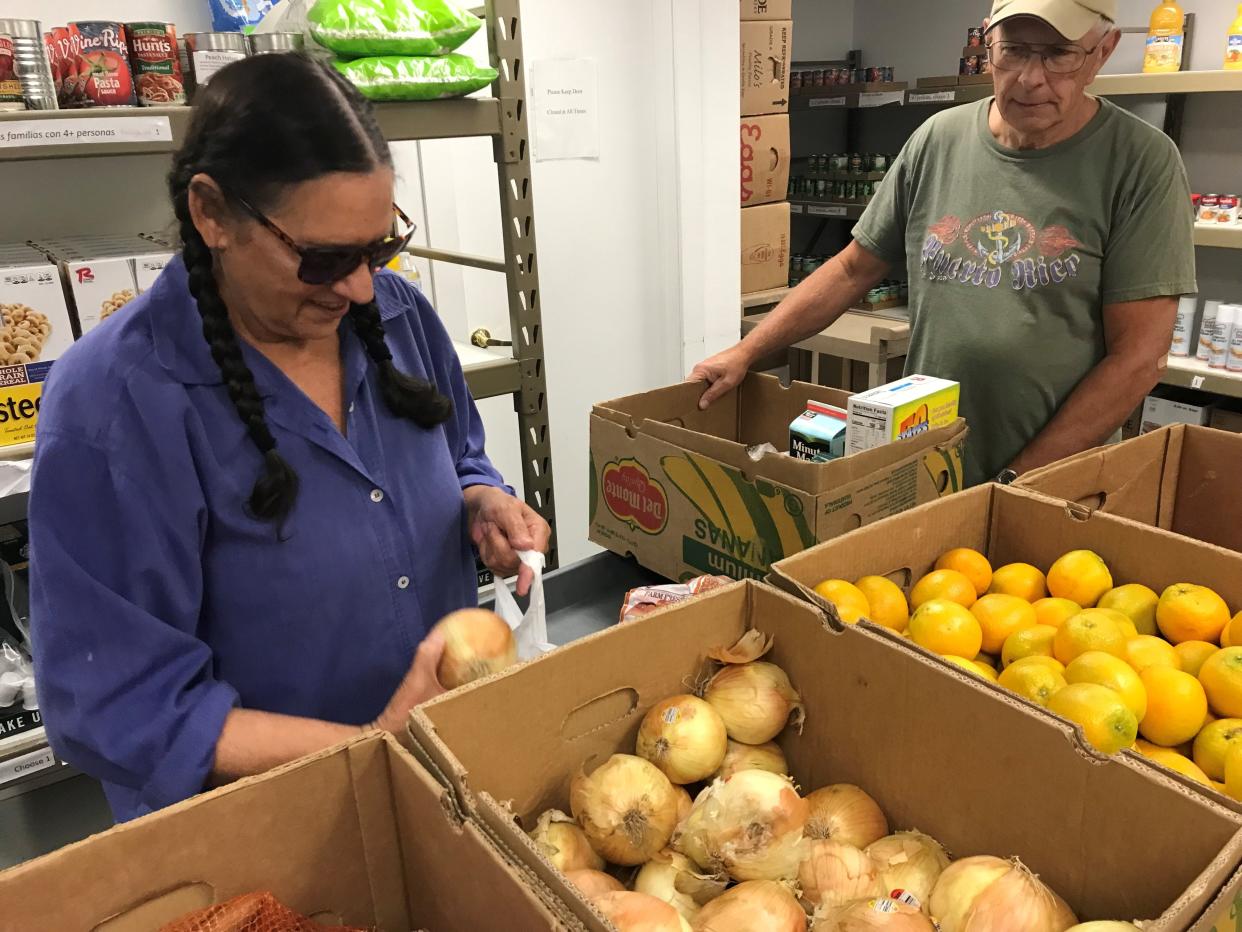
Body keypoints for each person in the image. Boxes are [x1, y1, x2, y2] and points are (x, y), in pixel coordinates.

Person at [28, 54, 550, 822]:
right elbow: (117, 702)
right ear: (212, 214)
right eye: (325, 259)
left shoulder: (398, 320)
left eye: (379, 247)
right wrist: (370, 743)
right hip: (267, 824)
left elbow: (460, 450)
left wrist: (482, 498)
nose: (362, 286)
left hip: (440, 776)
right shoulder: (114, 408)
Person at [695, 0, 1196, 486]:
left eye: (1059, 54)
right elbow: (852, 269)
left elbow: (1138, 358)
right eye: (1014, 50)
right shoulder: (939, 138)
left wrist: (1015, 480)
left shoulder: (1140, 162)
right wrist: (746, 352)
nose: (1030, 77)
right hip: (925, 456)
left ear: (1102, 51)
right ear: (986, 44)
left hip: (1051, 477)